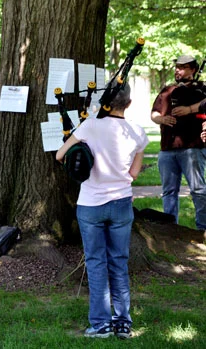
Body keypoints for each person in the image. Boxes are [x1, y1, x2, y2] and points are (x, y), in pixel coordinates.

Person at [56, 82, 148, 339]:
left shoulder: (91, 125)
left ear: (105, 100)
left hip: (91, 203)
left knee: (96, 263)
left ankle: (101, 324)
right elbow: (134, 173)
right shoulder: (137, 132)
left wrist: (82, 153)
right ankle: (123, 323)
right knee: (119, 262)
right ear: (128, 104)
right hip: (121, 203)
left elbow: (60, 155)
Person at [151, 55, 206, 231]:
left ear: (193, 70)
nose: (177, 70)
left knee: (198, 191)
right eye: (177, 66)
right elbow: (153, 113)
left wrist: (190, 109)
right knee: (169, 192)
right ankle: (170, 229)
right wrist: (161, 119)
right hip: (167, 149)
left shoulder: (201, 89)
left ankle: (202, 230)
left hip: (192, 149)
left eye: (182, 67)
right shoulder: (167, 90)